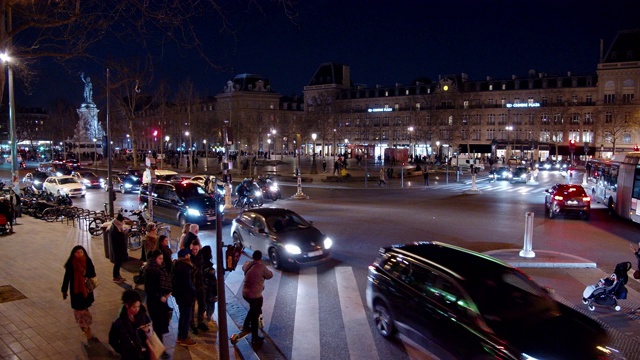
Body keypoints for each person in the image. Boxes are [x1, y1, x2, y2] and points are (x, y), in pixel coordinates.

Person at [61, 245, 96, 341]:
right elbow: (66, 278)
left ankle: (85, 326)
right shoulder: (71, 264)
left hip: (86, 291)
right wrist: (64, 290)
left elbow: (93, 273)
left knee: (84, 309)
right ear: (73, 254)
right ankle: (86, 330)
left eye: (81, 252)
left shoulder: (87, 261)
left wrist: (84, 273)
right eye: (77, 253)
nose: (79, 254)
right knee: (80, 311)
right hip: (76, 292)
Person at [108, 290, 152, 360]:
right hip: (129, 356)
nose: (137, 309)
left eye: (138, 306)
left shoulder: (143, 316)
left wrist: (148, 330)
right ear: (127, 305)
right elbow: (112, 340)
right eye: (134, 307)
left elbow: (150, 330)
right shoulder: (119, 323)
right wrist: (123, 351)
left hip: (144, 354)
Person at [144, 250, 172, 357]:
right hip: (154, 303)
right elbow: (149, 289)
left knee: (160, 324)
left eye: (162, 258)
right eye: (159, 258)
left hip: (161, 302)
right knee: (158, 326)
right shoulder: (150, 271)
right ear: (154, 259)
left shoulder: (160, 268)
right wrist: (160, 296)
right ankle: (159, 349)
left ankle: (159, 347)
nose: (161, 261)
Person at [241, 250, 273, 343]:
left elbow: (243, 268)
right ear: (260, 258)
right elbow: (270, 275)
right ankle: (255, 338)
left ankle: (246, 326)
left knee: (253, 309)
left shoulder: (248, 264)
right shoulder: (262, 267)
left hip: (245, 294)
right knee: (255, 315)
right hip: (255, 296)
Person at [172, 248, 197, 346]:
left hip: (180, 295)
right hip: (186, 296)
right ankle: (184, 338)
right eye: (188, 255)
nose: (190, 256)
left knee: (182, 316)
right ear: (185, 256)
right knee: (186, 317)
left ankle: (180, 336)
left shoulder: (177, 265)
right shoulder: (185, 267)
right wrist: (193, 293)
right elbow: (188, 284)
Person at [188, 240, 208, 334]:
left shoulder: (200, 256)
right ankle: (191, 324)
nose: (195, 251)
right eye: (193, 249)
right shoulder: (188, 257)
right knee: (191, 306)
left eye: (196, 249)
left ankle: (200, 322)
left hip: (200, 284)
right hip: (192, 285)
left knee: (202, 304)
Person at [200, 245, 218, 326]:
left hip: (202, 290)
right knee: (210, 306)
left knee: (204, 305)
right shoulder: (210, 269)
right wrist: (216, 292)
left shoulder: (200, 264)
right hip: (210, 291)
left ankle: (204, 319)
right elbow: (213, 283)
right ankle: (207, 319)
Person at [110, 213, 129, 283]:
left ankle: (118, 275)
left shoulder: (116, 225)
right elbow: (118, 238)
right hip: (117, 249)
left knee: (118, 262)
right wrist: (123, 233)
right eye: (122, 221)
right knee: (117, 263)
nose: (122, 223)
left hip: (118, 248)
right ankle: (115, 277)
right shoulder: (115, 228)